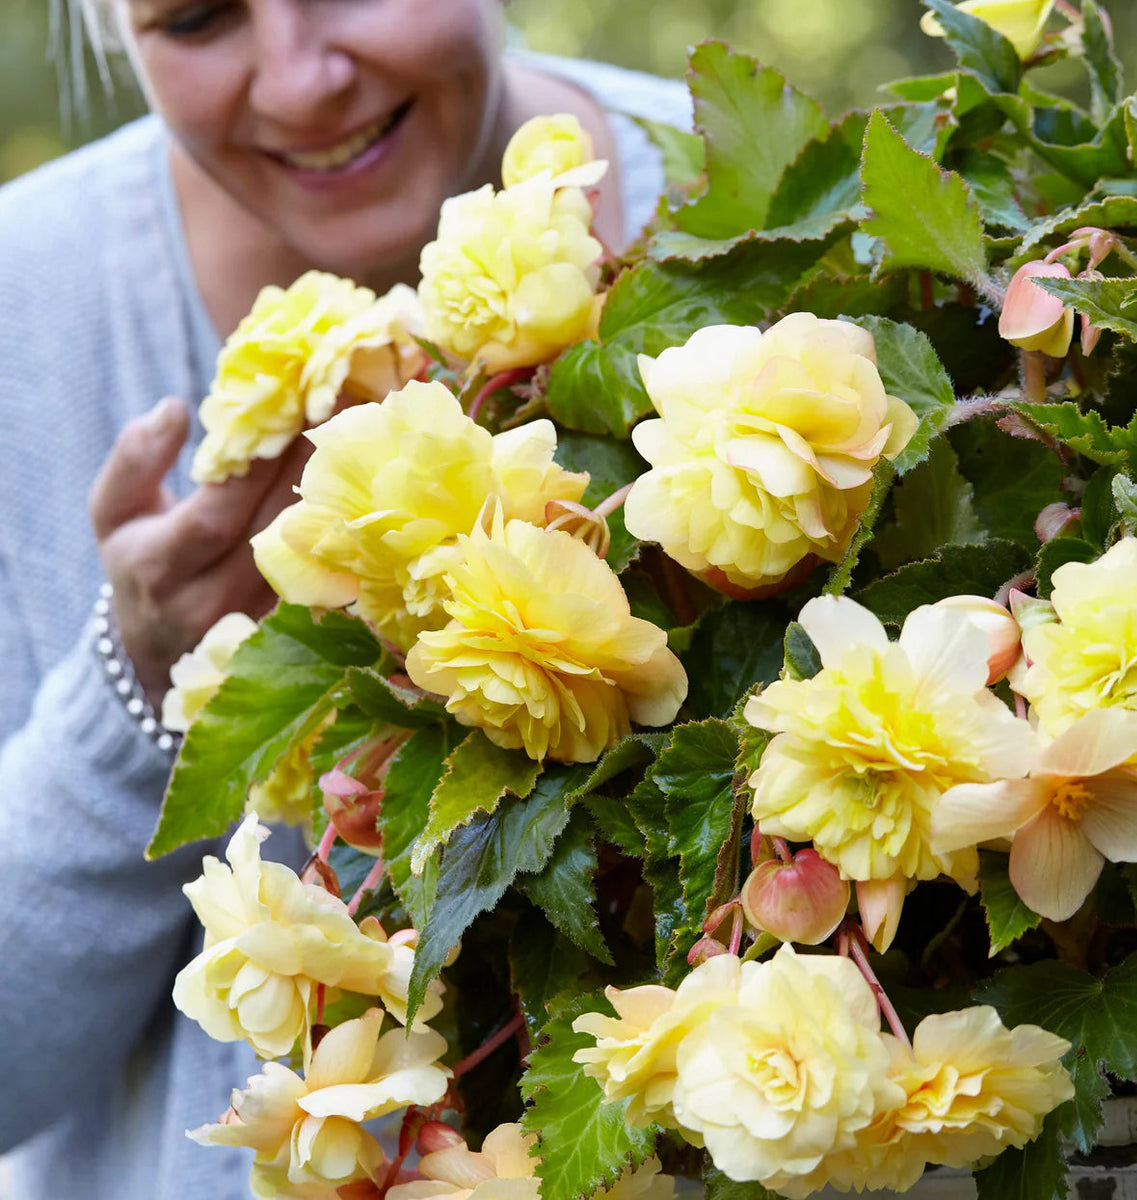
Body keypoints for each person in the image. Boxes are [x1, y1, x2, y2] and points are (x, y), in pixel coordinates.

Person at [0, 1, 690, 1194]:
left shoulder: (754, 210)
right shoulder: (28, 310)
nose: (302, 80)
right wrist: (136, 686)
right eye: (202, 15)